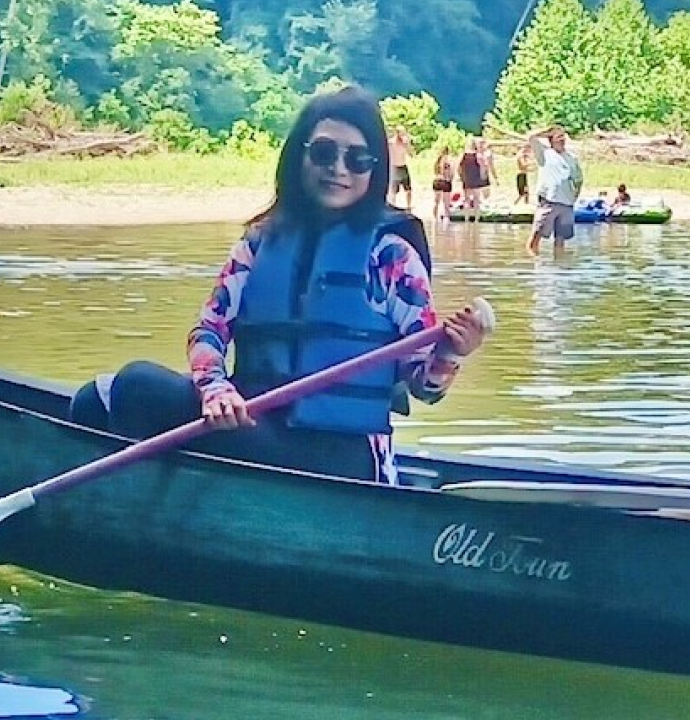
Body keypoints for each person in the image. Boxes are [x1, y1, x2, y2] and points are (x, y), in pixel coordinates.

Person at [68, 86, 488, 485]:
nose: (338, 169)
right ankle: (143, 506)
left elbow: (422, 388)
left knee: (137, 385)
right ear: (300, 157)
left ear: (375, 169)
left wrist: (450, 353)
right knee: (100, 397)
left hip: (342, 456)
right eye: (324, 153)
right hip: (254, 424)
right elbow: (208, 332)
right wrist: (215, 390)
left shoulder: (392, 257)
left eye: (357, 159)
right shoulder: (259, 243)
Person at [527, 123, 584, 257]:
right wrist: (547, 131)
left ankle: (559, 264)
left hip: (566, 204)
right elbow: (531, 137)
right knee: (537, 235)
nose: (562, 139)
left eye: (563, 137)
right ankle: (535, 261)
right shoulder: (544, 153)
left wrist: (575, 196)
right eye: (558, 137)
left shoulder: (571, 158)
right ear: (551, 139)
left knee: (560, 240)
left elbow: (578, 179)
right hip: (549, 201)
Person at [457, 138, 485, 222]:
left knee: (467, 200)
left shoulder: (463, 155)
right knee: (476, 200)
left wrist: (461, 176)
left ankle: (466, 218)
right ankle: (476, 219)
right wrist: (482, 177)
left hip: (466, 179)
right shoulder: (478, 155)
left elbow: (458, 167)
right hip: (476, 179)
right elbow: (482, 167)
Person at [387, 125, 413, 213]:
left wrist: (408, 145)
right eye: (401, 133)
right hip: (395, 167)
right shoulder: (391, 143)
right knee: (394, 190)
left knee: (408, 189)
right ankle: (393, 206)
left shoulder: (404, 143)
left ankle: (408, 206)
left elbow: (411, 154)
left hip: (402, 166)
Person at [431, 148, 455, 225]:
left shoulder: (437, 161)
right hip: (445, 181)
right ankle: (446, 219)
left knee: (436, 202)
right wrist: (450, 179)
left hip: (437, 181)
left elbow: (435, 171)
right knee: (446, 203)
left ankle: (434, 218)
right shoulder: (448, 161)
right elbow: (450, 172)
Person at [514, 139, 534, 206]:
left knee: (526, 192)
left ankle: (526, 204)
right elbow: (523, 165)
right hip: (521, 175)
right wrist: (531, 164)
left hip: (523, 174)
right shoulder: (521, 155)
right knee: (522, 193)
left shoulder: (523, 155)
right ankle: (515, 204)